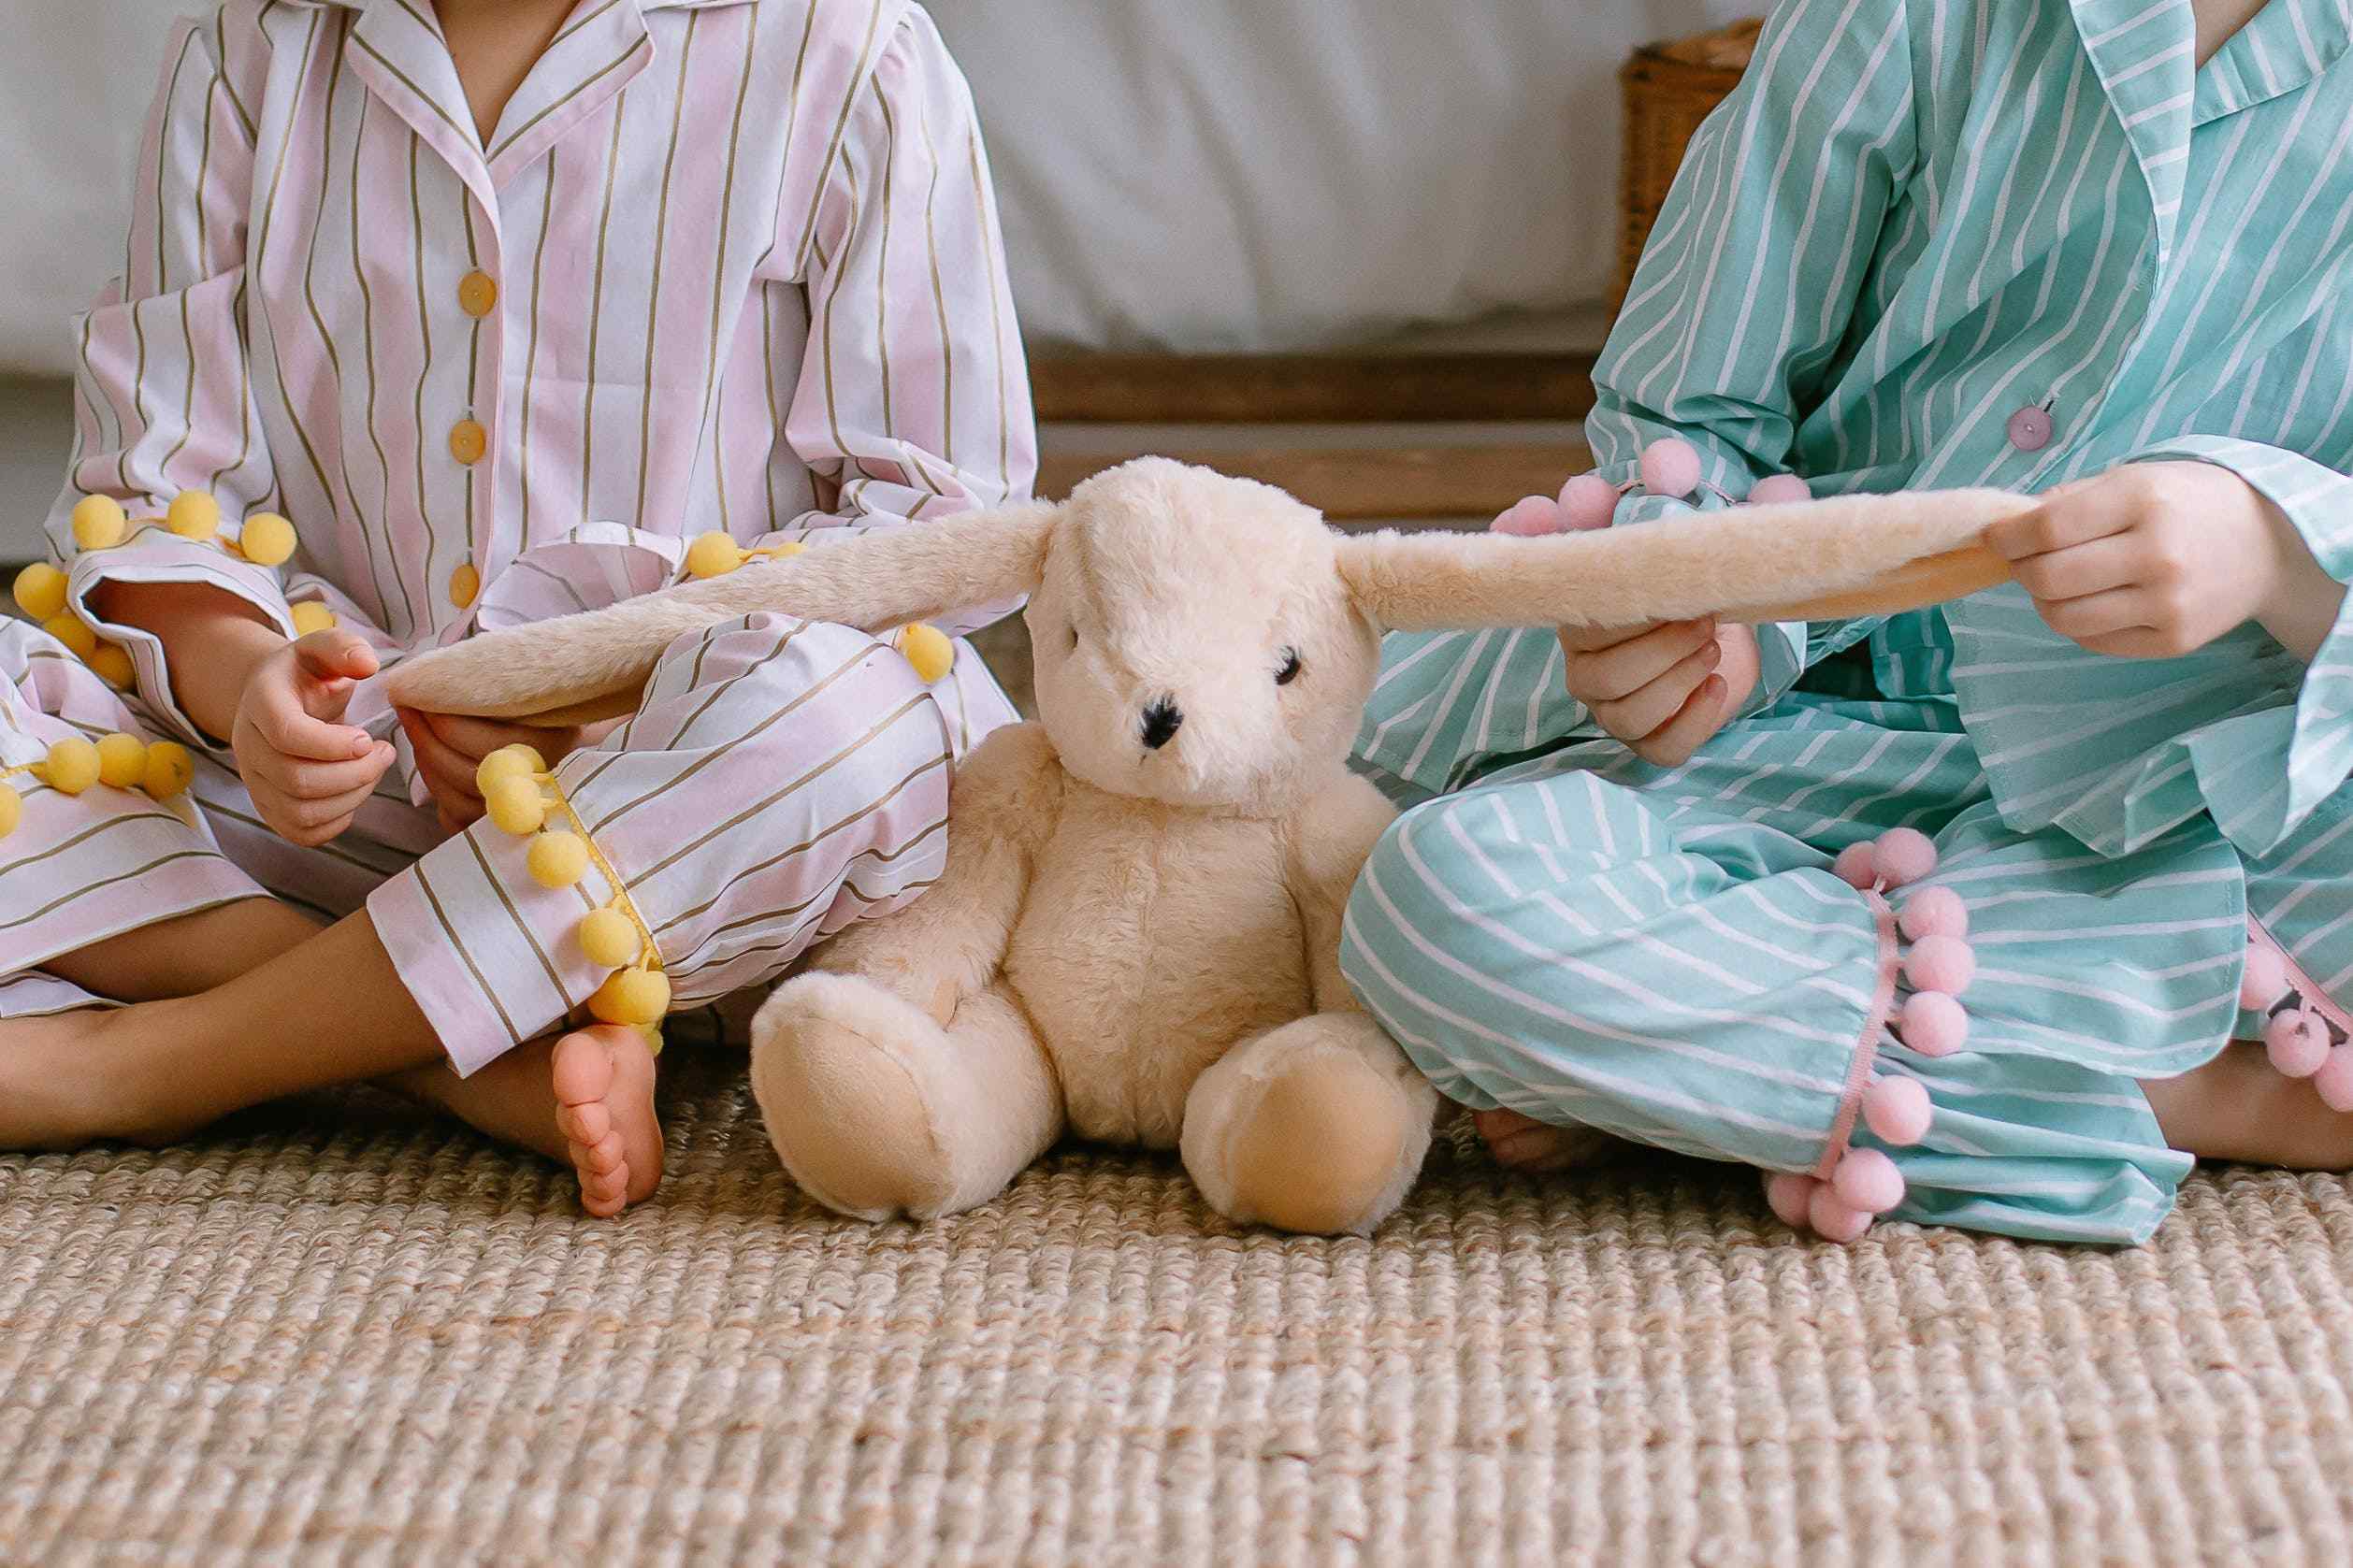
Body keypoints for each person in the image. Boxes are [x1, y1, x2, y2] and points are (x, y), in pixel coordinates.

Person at [0, 0, 1034, 1216]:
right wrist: (252, 692)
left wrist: (602, 692)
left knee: (855, 724)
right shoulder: (251, 52)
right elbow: (149, 489)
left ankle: (154, 1062)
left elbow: (944, 523)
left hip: (694, 802)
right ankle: (452, 1050)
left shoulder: (851, 51)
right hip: (353, 804)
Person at [1342, 0, 2353, 1243]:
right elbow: (1690, 412)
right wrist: (1709, 621)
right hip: (1812, 729)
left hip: (2210, 788)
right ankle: (2191, 1086)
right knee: (1432, 897)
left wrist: (2276, 548)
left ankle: (1716, 1054)